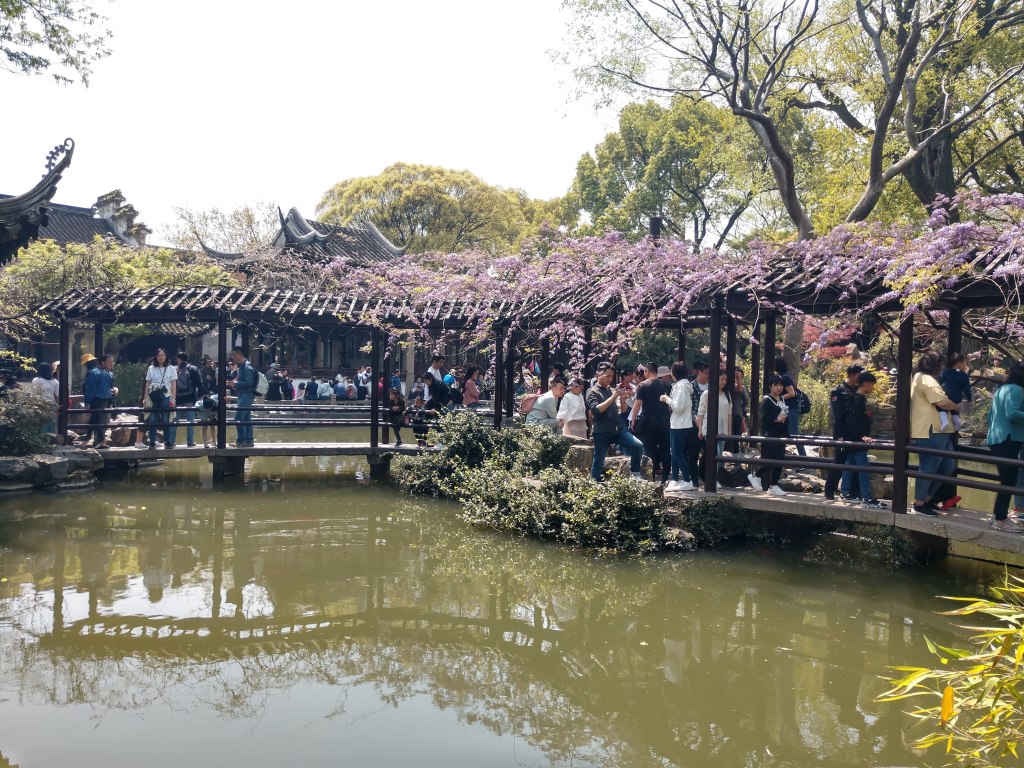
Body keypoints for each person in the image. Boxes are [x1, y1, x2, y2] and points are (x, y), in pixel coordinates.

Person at [909, 350, 961, 515]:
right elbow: (942, 402)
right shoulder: (926, 379)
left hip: (939, 429)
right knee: (929, 466)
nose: (943, 367)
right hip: (931, 429)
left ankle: (927, 498)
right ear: (935, 365)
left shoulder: (920, 377)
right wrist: (957, 405)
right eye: (941, 364)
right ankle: (919, 502)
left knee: (947, 466)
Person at [586, 362, 645, 481]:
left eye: (612, 376)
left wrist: (623, 401)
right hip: (602, 431)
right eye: (607, 376)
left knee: (638, 445)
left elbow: (623, 411)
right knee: (598, 461)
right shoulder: (592, 391)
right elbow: (596, 410)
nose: (610, 379)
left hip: (618, 429)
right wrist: (613, 397)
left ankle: (635, 473)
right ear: (598, 374)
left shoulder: (611, 390)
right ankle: (595, 484)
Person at [986, 363, 1024, 532]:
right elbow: (1012, 414)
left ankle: (997, 515)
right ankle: (1001, 520)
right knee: (1009, 481)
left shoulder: (1002, 389)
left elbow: (990, 416)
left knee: (1006, 479)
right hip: (1007, 439)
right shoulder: (1017, 390)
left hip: (996, 438)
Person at [841, 371, 885, 509]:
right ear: (866, 384)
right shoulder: (858, 399)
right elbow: (852, 420)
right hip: (857, 440)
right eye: (872, 385)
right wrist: (862, 436)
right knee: (863, 469)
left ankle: (845, 492)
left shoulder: (856, 397)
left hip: (852, 438)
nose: (873, 388)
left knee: (849, 465)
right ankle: (867, 497)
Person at [824, 364, 866, 501]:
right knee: (840, 462)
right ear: (853, 374)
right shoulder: (838, 391)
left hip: (854, 433)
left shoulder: (857, 390)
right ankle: (829, 490)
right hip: (843, 433)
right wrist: (839, 435)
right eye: (860, 374)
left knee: (853, 463)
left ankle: (853, 492)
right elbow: (836, 415)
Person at [630, 364, 672, 483]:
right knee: (665, 449)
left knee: (650, 449)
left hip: (649, 421)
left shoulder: (643, 385)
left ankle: (651, 475)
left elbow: (637, 404)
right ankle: (665, 476)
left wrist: (633, 420)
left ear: (646, 371)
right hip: (665, 420)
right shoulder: (667, 385)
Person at [749, 375, 788, 496]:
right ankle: (757, 475)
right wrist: (777, 420)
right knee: (772, 460)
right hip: (770, 434)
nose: (779, 387)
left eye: (781, 385)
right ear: (770, 386)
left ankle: (773, 485)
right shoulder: (766, 400)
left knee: (780, 459)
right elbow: (764, 420)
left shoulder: (781, 399)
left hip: (781, 434)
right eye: (776, 385)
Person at [663, 361, 695, 492]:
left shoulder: (681, 386)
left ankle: (687, 480)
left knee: (677, 453)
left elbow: (678, 407)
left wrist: (667, 399)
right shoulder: (682, 385)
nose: (670, 373)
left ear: (675, 372)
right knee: (675, 453)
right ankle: (675, 479)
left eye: (671, 370)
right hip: (678, 423)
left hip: (680, 424)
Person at [141, 348, 177, 450]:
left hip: (166, 395)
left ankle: (167, 442)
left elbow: (173, 384)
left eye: (163, 355)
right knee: (152, 419)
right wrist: (145, 398)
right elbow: (147, 383)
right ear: (156, 357)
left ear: (166, 356)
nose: (161, 357)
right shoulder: (151, 368)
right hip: (153, 395)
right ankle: (152, 442)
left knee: (166, 419)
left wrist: (173, 399)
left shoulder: (171, 368)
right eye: (159, 355)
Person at [82, 355, 117, 448]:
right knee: (94, 420)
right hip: (105, 400)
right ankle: (88, 439)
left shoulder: (93, 373)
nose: (111, 364)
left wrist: (87, 402)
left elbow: (90, 389)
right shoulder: (106, 373)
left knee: (97, 420)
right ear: (102, 363)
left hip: (97, 399)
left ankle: (101, 442)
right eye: (110, 362)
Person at [697, 370, 732, 461]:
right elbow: (701, 412)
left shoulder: (727, 394)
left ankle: (718, 471)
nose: (724, 382)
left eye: (725, 380)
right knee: (716, 453)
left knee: (720, 457)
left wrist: (729, 430)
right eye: (721, 379)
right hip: (709, 429)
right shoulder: (707, 394)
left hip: (723, 429)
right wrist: (700, 429)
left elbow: (729, 414)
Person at [170, 352, 203, 448]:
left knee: (174, 421)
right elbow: (199, 383)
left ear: (178, 359)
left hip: (177, 398)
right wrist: (200, 396)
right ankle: (190, 441)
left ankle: (171, 442)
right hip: (190, 397)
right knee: (190, 421)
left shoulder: (174, 369)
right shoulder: (193, 368)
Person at [774, 357, 804, 459]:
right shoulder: (782, 377)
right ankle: (780, 456)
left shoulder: (785, 378)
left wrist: (778, 398)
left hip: (791, 409)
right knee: (782, 433)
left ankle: (803, 459)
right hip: (785, 410)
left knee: (794, 435)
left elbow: (792, 393)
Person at [227, 346, 257, 447]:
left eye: (234, 355)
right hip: (244, 394)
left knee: (238, 418)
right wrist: (235, 383)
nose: (232, 357)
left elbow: (249, 382)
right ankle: (249, 441)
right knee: (247, 419)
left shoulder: (246, 367)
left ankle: (241, 441)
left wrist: (235, 383)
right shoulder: (243, 366)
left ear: (239, 354)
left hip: (247, 395)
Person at [688, 362, 710, 487]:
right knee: (693, 453)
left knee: (709, 452)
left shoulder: (711, 387)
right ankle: (694, 478)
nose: (708, 376)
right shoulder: (691, 386)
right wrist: (696, 420)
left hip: (708, 425)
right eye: (706, 373)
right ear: (699, 372)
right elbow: (689, 407)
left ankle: (704, 476)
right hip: (694, 425)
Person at [939, 352, 973, 431]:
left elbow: (940, 381)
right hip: (958, 398)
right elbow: (967, 389)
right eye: (965, 362)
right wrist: (969, 400)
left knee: (941, 407)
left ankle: (944, 420)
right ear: (959, 363)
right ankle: (957, 421)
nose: (966, 365)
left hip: (947, 395)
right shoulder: (964, 375)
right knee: (954, 409)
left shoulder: (946, 371)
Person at [31, 361, 61, 437]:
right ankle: (53, 438)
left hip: (41, 404)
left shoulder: (36, 380)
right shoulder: (55, 381)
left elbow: (35, 394)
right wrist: (57, 406)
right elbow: (57, 396)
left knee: (42, 424)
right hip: (52, 405)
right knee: (52, 423)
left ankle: (43, 438)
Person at [728, 368, 750, 454]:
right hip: (735, 413)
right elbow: (745, 402)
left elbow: (746, 401)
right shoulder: (728, 385)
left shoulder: (741, 387)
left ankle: (735, 456)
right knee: (734, 438)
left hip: (736, 414)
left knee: (735, 437)